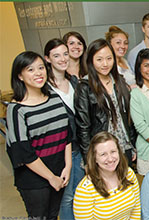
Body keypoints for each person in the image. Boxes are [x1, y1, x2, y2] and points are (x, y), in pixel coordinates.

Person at [6, 51, 72, 219]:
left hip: (59, 172)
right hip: (34, 180)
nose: (38, 73)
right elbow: (22, 151)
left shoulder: (54, 98)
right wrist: (51, 177)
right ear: (20, 76)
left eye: (41, 68)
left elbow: (66, 134)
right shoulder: (17, 109)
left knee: (52, 216)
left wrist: (68, 167)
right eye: (30, 69)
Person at [74, 39, 136, 168]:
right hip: (102, 150)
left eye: (109, 58)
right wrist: (88, 159)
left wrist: (133, 145)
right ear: (91, 61)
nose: (105, 64)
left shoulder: (119, 81)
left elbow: (128, 117)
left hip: (124, 145)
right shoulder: (85, 87)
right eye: (99, 59)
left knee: (125, 184)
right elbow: (83, 127)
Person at [44, 38, 85, 220]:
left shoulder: (74, 82)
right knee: (68, 197)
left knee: (82, 194)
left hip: (81, 146)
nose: (62, 59)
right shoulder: (45, 88)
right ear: (47, 59)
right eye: (56, 55)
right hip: (62, 151)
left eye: (65, 54)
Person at [73, 131, 141, 219]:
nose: (110, 159)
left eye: (113, 152)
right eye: (103, 154)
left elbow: (136, 210)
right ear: (94, 159)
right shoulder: (85, 190)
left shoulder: (128, 173)